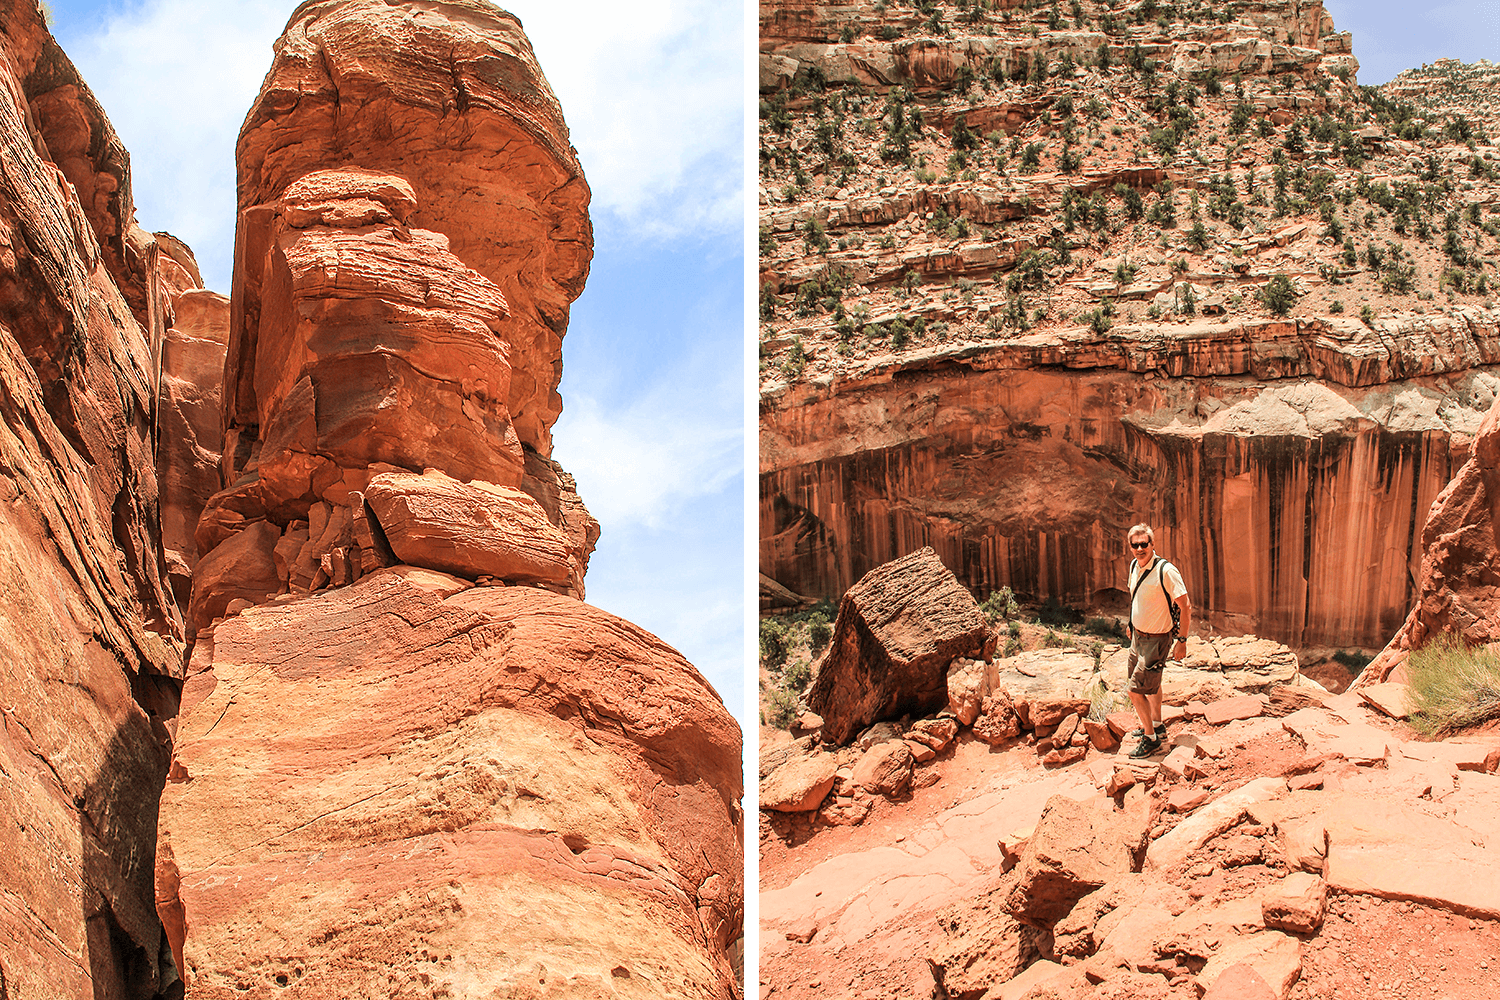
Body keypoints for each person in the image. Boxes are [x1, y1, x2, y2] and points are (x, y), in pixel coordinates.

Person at [1123, 524, 1191, 758]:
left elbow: (1185, 606)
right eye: (1135, 544)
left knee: (1134, 691)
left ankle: (1150, 739)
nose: (1140, 548)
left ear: (1153, 545)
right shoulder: (1134, 565)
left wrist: (1181, 640)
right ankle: (1157, 725)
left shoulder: (1166, 571)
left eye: (1144, 544)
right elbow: (1136, 596)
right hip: (1138, 637)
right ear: (1130, 547)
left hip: (1157, 639)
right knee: (1151, 684)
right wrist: (1131, 623)